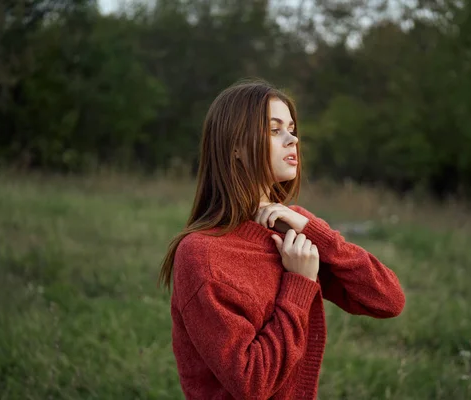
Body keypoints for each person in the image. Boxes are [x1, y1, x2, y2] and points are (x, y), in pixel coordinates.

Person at [158, 79, 406, 400]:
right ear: (235, 146)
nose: (293, 139)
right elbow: (251, 384)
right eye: (275, 130)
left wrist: (317, 233)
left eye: (291, 128)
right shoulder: (201, 254)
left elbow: (388, 299)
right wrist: (300, 283)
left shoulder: (292, 230)